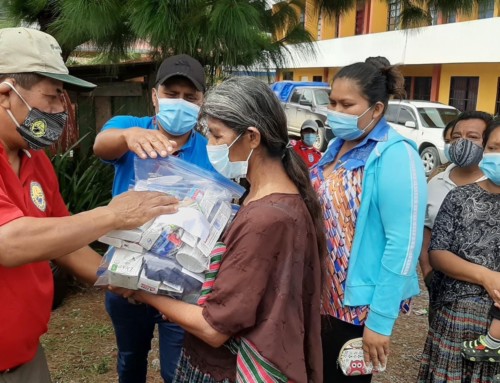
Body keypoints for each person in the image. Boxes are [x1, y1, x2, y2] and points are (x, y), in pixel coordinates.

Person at [111, 76, 325, 382]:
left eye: (216, 136)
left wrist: (139, 291)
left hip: (228, 368)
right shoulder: (261, 195)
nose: (210, 146)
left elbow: (213, 329)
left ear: (252, 137)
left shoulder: (267, 218)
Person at [0, 27, 179, 383]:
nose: (60, 111)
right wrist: (114, 214)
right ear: (6, 94)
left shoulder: (35, 159)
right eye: (52, 97)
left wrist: (124, 281)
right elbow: (9, 241)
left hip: (25, 356)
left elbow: (68, 246)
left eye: (62, 99)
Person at [93, 54, 213, 383]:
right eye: (171, 94)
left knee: (177, 369)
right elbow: (102, 146)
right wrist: (128, 137)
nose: (180, 102)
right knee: (130, 358)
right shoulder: (130, 129)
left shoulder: (210, 151)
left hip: (181, 283)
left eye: (191, 97)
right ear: (155, 96)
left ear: (202, 101)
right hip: (126, 278)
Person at [311, 58, 427, 382]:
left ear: (376, 110)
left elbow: (403, 244)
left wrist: (380, 320)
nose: (335, 110)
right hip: (318, 299)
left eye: (347, 104)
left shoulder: (397, 155)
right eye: (332, 102)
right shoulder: (336, 147)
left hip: (355, 310)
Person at [417, 119, 500, 382]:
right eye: (494, 147)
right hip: (456, 317)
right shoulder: (460, 197)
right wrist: (486, 276)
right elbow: (438, 252)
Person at [419, 111, 491, 294]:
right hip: (443, 293)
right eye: (456, 136)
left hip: (489, 292)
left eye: (472, 137)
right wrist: (428, 272)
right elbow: (426, 228)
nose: (461, 142)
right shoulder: (435, 183)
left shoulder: (494, 185)